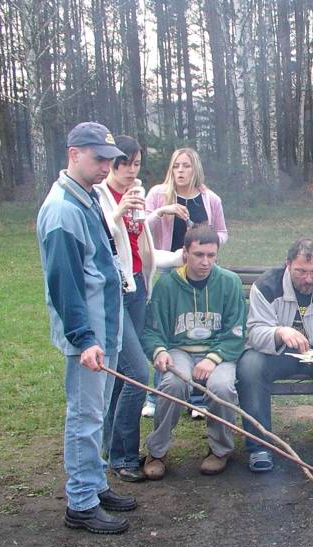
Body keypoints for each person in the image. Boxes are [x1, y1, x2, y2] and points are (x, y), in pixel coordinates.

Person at [36, 121, 136, 534]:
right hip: (89, 336)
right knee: (85, 416)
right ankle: (80, 502)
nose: (105, 167)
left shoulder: (89, 196)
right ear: (73, 154)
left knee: (95, 413)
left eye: (109, 160)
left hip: (105, 327)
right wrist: (83, 339)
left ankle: (94, 484)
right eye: (98, 159)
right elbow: (66, 284)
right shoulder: (62, 210)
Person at [95, 135, 183, 482]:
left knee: (119, 376)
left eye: (136, 164)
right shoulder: (99, 196)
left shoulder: (138, 195)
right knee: (136, 375)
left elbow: (139, 247)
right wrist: (119, 211)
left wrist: (181, 257)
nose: (131, 171)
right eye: (125, 164)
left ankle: (107, 447)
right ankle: (124, 455)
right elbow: (100, 240)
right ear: (111, 164)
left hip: (136, 288)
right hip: (111, 293)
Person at [237, 239, 313, 472]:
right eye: (301, 271)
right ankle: (260, 446)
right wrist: (279, 332)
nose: (308, 279)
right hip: (279, 355)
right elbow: (255, 333)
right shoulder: (266, 286)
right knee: (250, 366)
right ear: (287, 265)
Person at [141, 226, 246, 480]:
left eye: (211, 255)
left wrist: (213, 358)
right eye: (199, 254)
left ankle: (220, 450)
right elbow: (151, 330)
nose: (205, 261)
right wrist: (159, 351)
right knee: (173, 384)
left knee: (221, 387)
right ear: (185, 253)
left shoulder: (229, 282)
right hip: (180, 350)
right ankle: (157, 451)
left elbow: (237, 332)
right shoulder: (167, 285)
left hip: (218, 351)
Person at [143, 147, 227, 418]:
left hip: (201, 270)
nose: (180, 171)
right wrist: (162, 212)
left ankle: (198, 398)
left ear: (195, 169)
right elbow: (140, 227)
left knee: (200, 330)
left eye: (186, 166)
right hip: (170, 269)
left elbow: (223, 232)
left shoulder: (210, 198)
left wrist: (209, 244)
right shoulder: (158, 194)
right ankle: (156, 397)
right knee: (166, 332)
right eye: (176, 166)